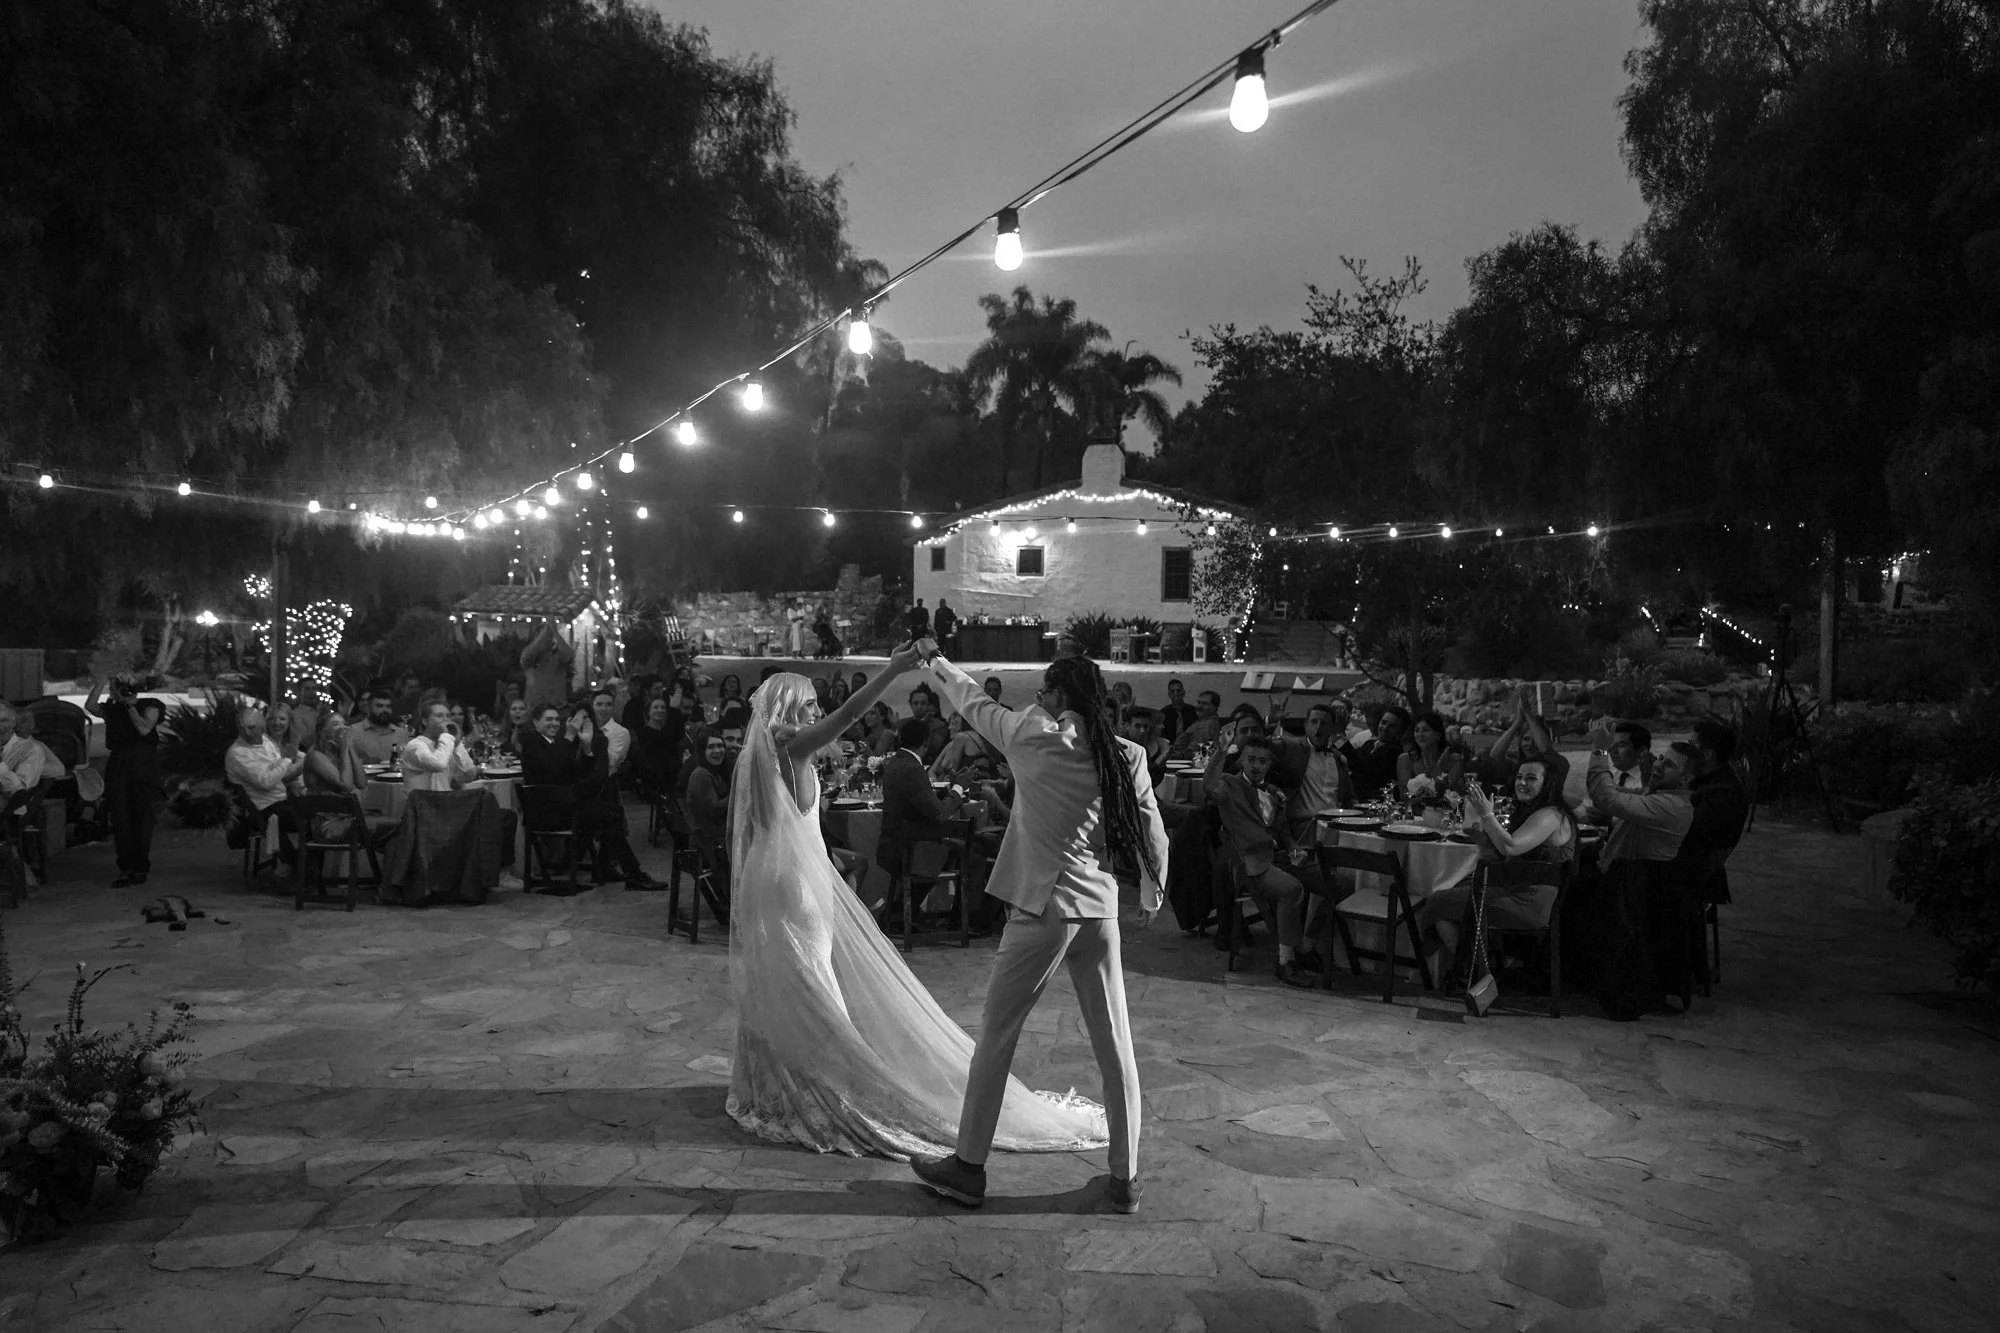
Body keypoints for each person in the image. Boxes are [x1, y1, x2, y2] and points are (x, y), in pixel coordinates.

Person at [726, 642, 1107, 1163]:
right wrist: (893, 670)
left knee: (787, 981)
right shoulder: (790, 749)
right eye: (810, 706)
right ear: (792, 711)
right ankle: (824, 1081)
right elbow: (851, 713)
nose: (817, 714)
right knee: (809, 984)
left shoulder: (771, 752)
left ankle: (777, 1078)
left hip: (770, 879)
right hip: (792, 884)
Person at [908, 648, 1166, 1214]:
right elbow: (1152, 828)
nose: (1039, 700)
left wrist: (938, 662)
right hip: (1099, 911)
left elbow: (974, 703)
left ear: (1059, 697)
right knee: (1115, 1045)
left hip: (1042, 909)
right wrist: (1152, 892)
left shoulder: (1032, 735)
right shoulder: (1127, 754)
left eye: (1047, 692)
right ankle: (1124, 1178)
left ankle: (968, 1167)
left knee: (997, 1037)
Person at [1423, 753, 1579, 975]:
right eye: (1519, 777)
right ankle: (1485, 965)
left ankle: (1472, 970)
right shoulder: (1534, 811)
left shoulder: (1550, 815)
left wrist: (1487, 815)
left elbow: (1511, 847)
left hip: (1528, 903)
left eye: (1531, 778)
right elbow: (1505, 854)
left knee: (1437, 902)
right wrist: (1482, 837)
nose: (1522, 783)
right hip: (1514, 890)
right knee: (1454, 892)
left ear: (1548, 783)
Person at [1209, 735, 1333, 987]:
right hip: (1249, 862)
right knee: (1292, 889)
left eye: (1263, 761)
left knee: (1338, 885)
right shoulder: (1229, 785)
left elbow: (1283, 829)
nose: (1256, 766)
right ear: (1241, 759)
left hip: (1278, 857)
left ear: (1270, 764)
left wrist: (1294, 848)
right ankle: (1285, 962)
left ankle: (1305, 946)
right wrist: (1221, 752)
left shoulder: (1273, 792)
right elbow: (1209, 787)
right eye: (1251, 759)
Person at [85, 678, 166, 886]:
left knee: (141, 816)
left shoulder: (151, 705)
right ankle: (127, 867)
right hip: (119, 762)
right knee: (121, 816)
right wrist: (102, 682)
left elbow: (144, 729)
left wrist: (130, 705)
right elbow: (90, 707)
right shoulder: (113, 708)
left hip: (143, 763)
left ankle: (140, 866)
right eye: (117, 686)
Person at [880, 717, 962, 880]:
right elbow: (940, 814)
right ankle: (968, 906)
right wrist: (958, 788)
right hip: (911, 850)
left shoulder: (895, 762)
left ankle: (906, 904)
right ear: (926, 743)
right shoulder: (912, 768)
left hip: (892, 845)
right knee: (974, 852)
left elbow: (919, 801)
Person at [226, 707, 307, 870]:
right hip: (263, 810)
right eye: (242, 728)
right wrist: (288, 760)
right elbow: (266, 781)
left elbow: (280, 775)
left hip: (281, 802)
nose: (247, 732)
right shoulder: (237, 753)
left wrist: (304, 763)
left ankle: (303, 866)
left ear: (262, 724)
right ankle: (299, 867)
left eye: (252, 727)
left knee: (320, 814)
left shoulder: (266, 742)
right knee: (313, 820)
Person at [682, 731, 733, 866]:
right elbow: (714, 809)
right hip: (708, 844)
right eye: (711, 747)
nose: (717, 750)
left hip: (713, 836)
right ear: (702, 751)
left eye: (720, 746)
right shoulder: (701, 774)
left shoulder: (715, 772)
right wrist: (739, 794)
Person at [401, 701, 477, 792]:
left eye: (448, 716)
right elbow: (438, 764)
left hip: (446, 802)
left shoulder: (448, 745)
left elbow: (470, 776)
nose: (446, 720)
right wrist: (447, 736)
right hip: (421, 804)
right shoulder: (415, 745)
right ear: (425, 721)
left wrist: (457, 745)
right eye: (439, 716)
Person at [1396, 710, 1463, 801]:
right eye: (1417, 730)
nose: (1420, 734)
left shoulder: (1451, 760)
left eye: (1426, 730)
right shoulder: (1405, 759)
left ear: (1438, 735)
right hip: (1413, 811)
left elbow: (1456, 794)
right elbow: (1404, 796)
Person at [1349, 705, 1409, 798]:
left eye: (1392, 726)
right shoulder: (1369, 744)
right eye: (1383, 722)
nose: (1384, 728)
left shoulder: (1395, 752)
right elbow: (1348, 760)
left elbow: (1363, 769)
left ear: (1400, 732)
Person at [345, 687, 409, 767]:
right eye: (379, 706)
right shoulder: (353, 731)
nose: (385, 710)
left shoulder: (402, 734)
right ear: (369, 708)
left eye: (388, 706)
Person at [303, 712, 363, 795]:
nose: (343, 727)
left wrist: (350, 748)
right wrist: (345, 749)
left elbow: (362, 783)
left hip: (340, 805)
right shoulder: (315, 755)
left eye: (344, 723)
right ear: (324, 732)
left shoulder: (338, 751)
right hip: (319, 806)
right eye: (336, 724)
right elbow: (347, 786)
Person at [521, 617, 575, 708]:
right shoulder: (529, 658)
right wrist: (545, 631)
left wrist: (555, 631)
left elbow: (569, 656)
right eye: (541, 636)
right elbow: (525, 657)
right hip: (533, 707)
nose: (545, 639)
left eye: (548, 636)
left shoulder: (558, 656)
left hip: (557, 706)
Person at [1166, 690, 1223, 756]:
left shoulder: (1206, 725)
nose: (1199, 706)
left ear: (1214, 707)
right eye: (1198, 703)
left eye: (1205, 704)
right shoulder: (1203, 721)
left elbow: (1193, 751)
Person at [906, 683, 951, 762]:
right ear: (910, 704)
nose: (919, 707)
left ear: (928, 705)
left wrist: (922, 724)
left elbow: (932, 751)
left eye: (923, 703)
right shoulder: (903, 724)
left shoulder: (939, 726)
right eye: (915, 703)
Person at [1608, 721, 1655, 792]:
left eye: (1621, 745)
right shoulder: (1608, 776)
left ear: (1642, 751)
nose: (1612, 751)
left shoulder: (1652, 782)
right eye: (1611, 745)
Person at [1158, 679, 1198, 743]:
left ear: (1183, 692)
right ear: (1169, 694)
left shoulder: (1194, 712)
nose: (1176, 693)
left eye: (1178, 690)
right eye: (1172, 691)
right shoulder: (1163, 714)